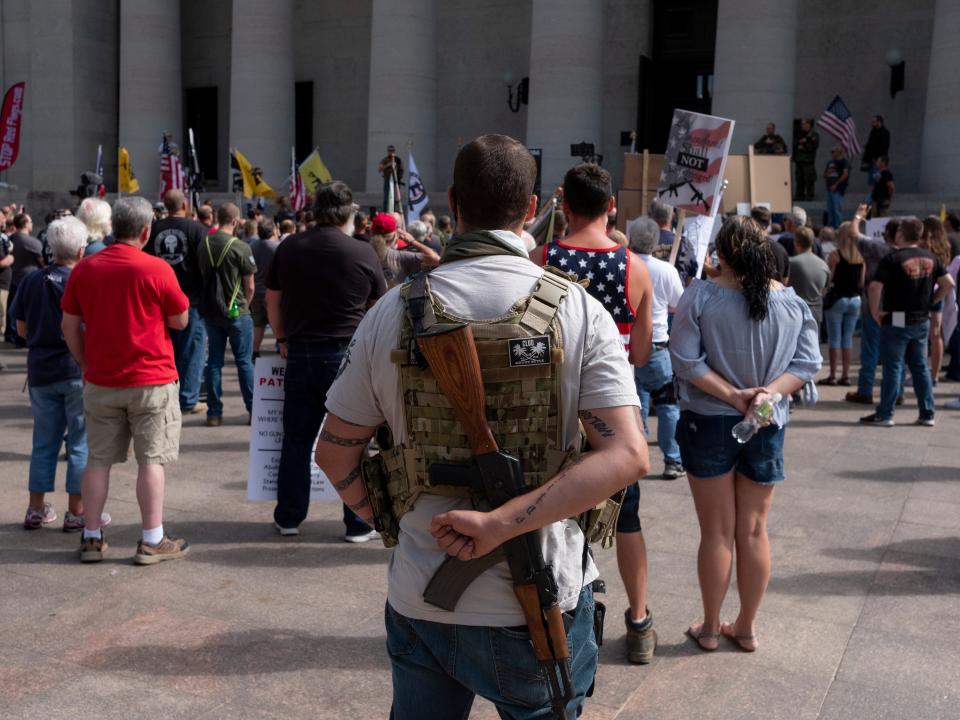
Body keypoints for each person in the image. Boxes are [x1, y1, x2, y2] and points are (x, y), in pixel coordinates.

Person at [317, 134, 647, 717]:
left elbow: (334, 454)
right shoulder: (577, 309)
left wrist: (395, 520)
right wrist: (499, 525)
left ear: (453, 199)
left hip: (422, 595)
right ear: (531, 207)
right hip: (538, 606)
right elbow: (626, 457)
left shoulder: (393, 310)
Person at [670, 215, 821, 651]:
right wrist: (765, 396)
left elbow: (685, 360)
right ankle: (748, 626)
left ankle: (713, 626)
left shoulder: (701, 295)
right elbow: (807, 365)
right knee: (754, 530)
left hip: (708, 418)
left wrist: (736, 395)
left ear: (722, 252)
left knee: (716, 532)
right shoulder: (791, 301)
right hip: (768, 421)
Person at [535, 163, 659, 666]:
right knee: (627, 520)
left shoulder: (544, 257)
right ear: (613, 206)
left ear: (564, 206)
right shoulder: (634, 268)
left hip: (554, 414)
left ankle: (556, 617)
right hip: (615, 413)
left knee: (554, 515)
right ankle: (638, 620)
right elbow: (643, 354)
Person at [61, 196, 191, 564]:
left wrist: (86, 363)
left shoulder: (85, 269)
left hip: (101, 379)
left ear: (112, 228)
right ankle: (152, 538)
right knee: (151, 460)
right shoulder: (156, 268)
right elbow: (180, 319)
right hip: (152, 379)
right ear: (147, 232)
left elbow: (69, 325)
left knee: (97, 460)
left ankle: (90, 536)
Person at [266, 181, 387, 540]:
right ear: (349, 213)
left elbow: (272, 299)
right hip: (347, 357)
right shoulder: (362, 252)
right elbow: (380, 307)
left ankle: (289, 517)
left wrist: (283, 337)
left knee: (296, 441)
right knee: (353, 442)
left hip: (301, 352)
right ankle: (357, 522)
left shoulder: (289, 247)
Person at [11, 217, 103, 531]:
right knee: (79, 442)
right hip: (77, 368)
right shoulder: (84, 280)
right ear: (81, 250)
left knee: (44, 442)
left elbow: (21, 328)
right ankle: (76, 511)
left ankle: (35, 508)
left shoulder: (31, 281)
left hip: (40, 369)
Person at [860, 217, 955, 427]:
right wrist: (932, 301)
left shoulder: (893, 258)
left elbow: (874, 287)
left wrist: (875, 312)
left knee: (893, 367)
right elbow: (949, 283)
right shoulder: (930, 257)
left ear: (901, 234)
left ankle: (886, 413)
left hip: (896, 317)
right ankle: (927, 412)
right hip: (920, 318)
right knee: (920, 367)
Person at [628, 217, 685, 480]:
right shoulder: (665, 271)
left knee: (635, 404)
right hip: (656, 345)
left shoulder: (623, 264)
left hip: (626, 346)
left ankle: (634, 456)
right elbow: (679, 304)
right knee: (667, 405)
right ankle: (672, 459)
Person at [146, 189, 209, 415]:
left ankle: (165, 395)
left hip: (158, 301)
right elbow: (206, 266)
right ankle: (188, 399)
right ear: (184, 204)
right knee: (192, 350)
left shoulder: (154, 230)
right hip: (189, 299)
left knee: (163, 350)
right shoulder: (197, 230)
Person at [198, 202, 256, 427]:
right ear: (234, 221)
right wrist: (245, 306)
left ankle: (213, 412)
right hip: (237, 310)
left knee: (213, 362)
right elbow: (249, 286)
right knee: (244, 362)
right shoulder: (241, 247)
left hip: (212, 311)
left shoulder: (204, 244)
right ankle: (253, 410)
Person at [822, 222, 865, 385]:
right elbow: (861, 282)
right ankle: (845, 375)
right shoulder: (861, 256)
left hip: (838, 298)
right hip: (855, 299)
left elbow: (828, 278)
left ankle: (833, 375)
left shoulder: (835, 255)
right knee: (847, 338)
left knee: (834, 339)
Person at [920, 216, 953, 385]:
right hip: (939, 290)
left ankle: (923, 372)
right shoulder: (945, 245)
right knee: (936, 334)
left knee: (923, 334)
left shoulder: (925, 245)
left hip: (925, 289)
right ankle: (934, 374)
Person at [369, 212, 439, 288]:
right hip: (392, 299)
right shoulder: (401, 257)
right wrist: (413, 241)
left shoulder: (359, 253)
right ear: (394, 236)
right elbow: (436, 259)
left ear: (371, 233)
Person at [5, 213, 44, 346]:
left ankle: (11, 334)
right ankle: (22, 337)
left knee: (12, 309)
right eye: (31, 221)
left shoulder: (10, 240)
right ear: (26, 224)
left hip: (13, 279)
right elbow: (42, 260)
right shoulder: (32, 242)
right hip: (29, 280)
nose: (32, 223)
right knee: (27, 311)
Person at [787, 226, 831, 339]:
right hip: (815, 314)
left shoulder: (791, 263)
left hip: (794, 312)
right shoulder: (823, 265)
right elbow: (825, 291)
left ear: (796, 242)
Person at [249, 218, 280, 358]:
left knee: (258, 323)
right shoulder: (276, 247)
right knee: (277, 320)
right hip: (272, 290)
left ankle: (255, 351)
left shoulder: (252, 246)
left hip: (256, 289)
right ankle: (280, 345)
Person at [650, 199, 697, 283]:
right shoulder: (684, 244)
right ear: (672, 215)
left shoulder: (643, 241)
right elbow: (691, 276)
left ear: (651, 216)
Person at [751, 206, 790, 282]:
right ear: (769, 222)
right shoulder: (780, 249)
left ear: (752, 221)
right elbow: (785, 280)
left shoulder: (744, 247)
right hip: (777, 292)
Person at [792, 118, 819, 201]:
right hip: (799, 160)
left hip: (808, 161)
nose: (802, 126)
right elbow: (795, 144)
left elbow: (812, 146)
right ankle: (799, 195)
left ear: (809, 125)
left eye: (804, 124)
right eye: (801, 124)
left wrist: (804, 144)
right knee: (799, 179)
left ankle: (810, 196)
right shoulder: (799, 134)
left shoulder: (813, 134)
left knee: (809, 179)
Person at [824, 147, 849, 229]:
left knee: (837, 210)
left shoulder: (843, 162)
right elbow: (825, 174)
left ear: (839, 153)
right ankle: (831, 227)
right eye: (832, 152)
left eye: (834, 152)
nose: (832, 154)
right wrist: (826, 174)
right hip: (829, 189)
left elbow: (845, 174)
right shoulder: (829, 162)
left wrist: (836, 184)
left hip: (837, 190)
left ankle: (839, 227)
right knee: (830, 210)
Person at [378, 144, 404, 209]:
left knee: (396, 198)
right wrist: (388, 165)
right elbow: (379, 169)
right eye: (389, 150)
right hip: (387, 180)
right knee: (386, 198)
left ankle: (394, 211)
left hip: (396, 181)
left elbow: (402, 170)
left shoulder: (398, 160)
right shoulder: (385, 160)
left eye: (392, 150)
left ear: (394, 151)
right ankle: (385, 211)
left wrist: (398, 178)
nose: (391, 152)